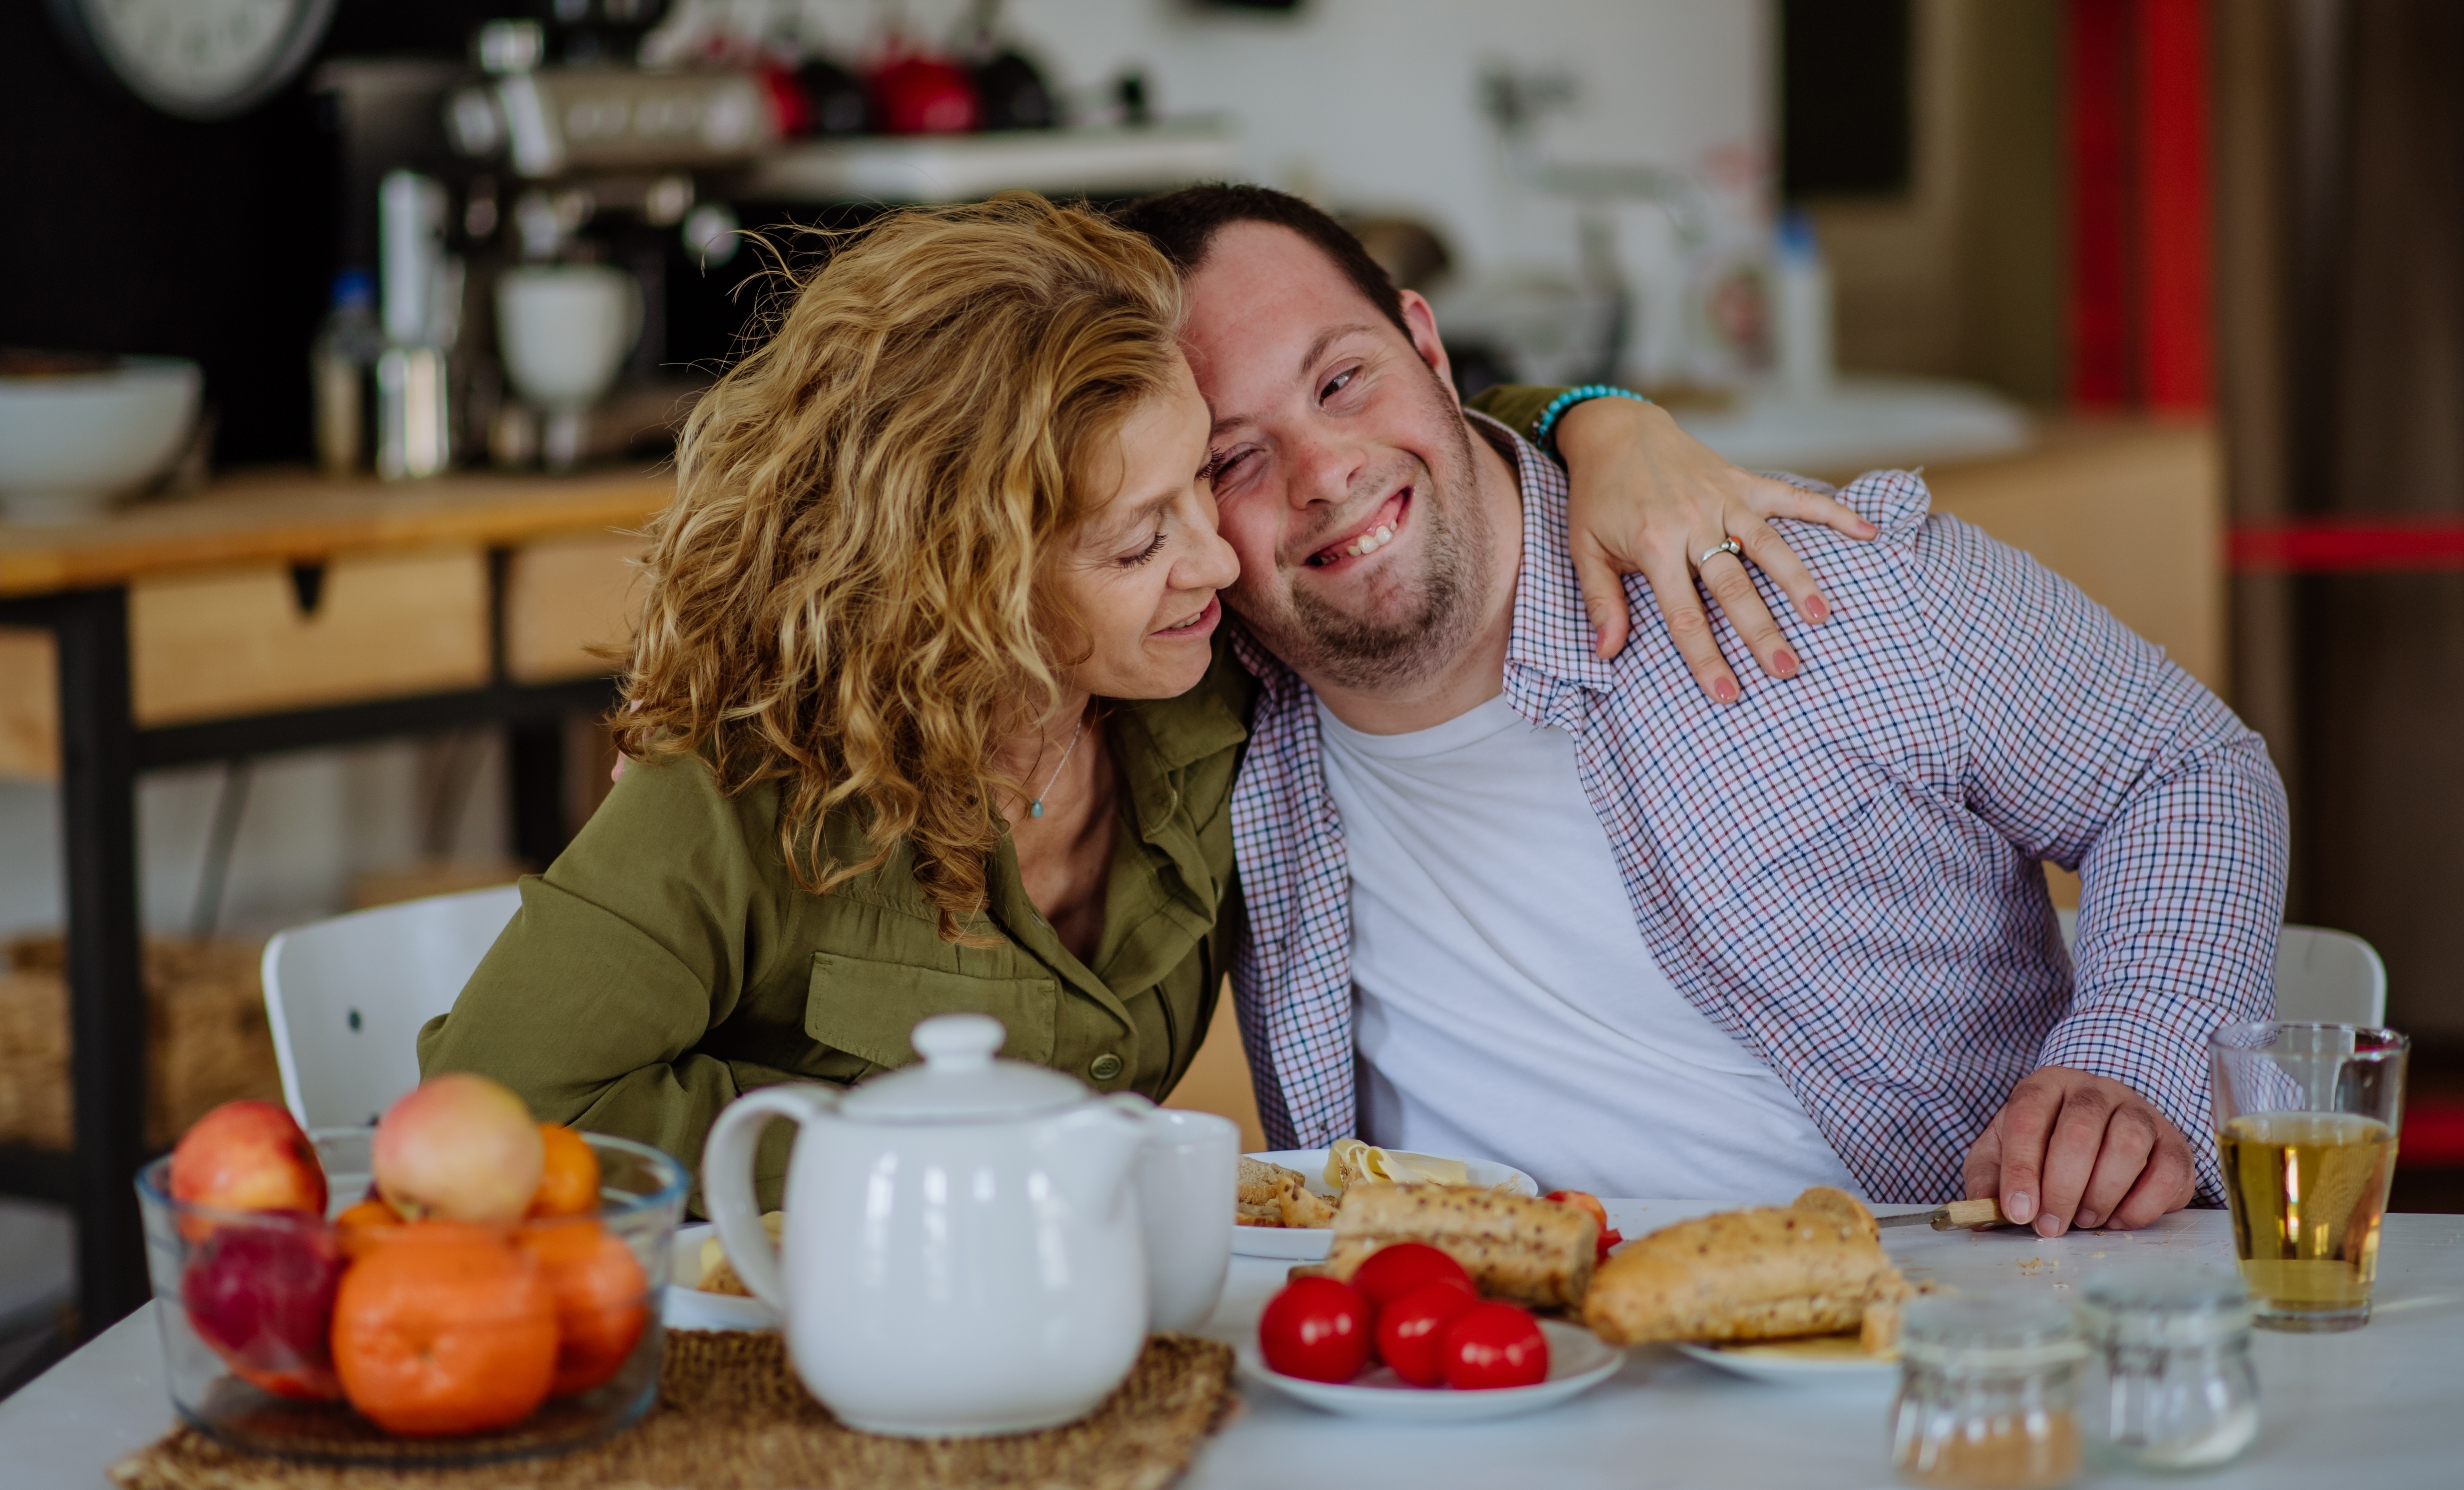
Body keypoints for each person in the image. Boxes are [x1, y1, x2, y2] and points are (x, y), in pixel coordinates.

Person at [415, 193, 1863, 1207]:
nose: (1220, 555)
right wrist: (903, 1154)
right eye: (1138, 536)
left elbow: (1381, 432)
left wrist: (1600, 421)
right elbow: (476, 1119)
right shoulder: (738, 798)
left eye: (1199, 485)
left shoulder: (1209, 686)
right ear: (963, 583)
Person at [1114, 184, 2289, 1238]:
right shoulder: (1199, 730)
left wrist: (2128, 1058)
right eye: (1232, 460)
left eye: (1342, 379)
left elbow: (2180, 768)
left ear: (1426, 343)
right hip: (1486, 1394)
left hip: (1945, 1330)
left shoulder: (1809, 574)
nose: (1323, 472)